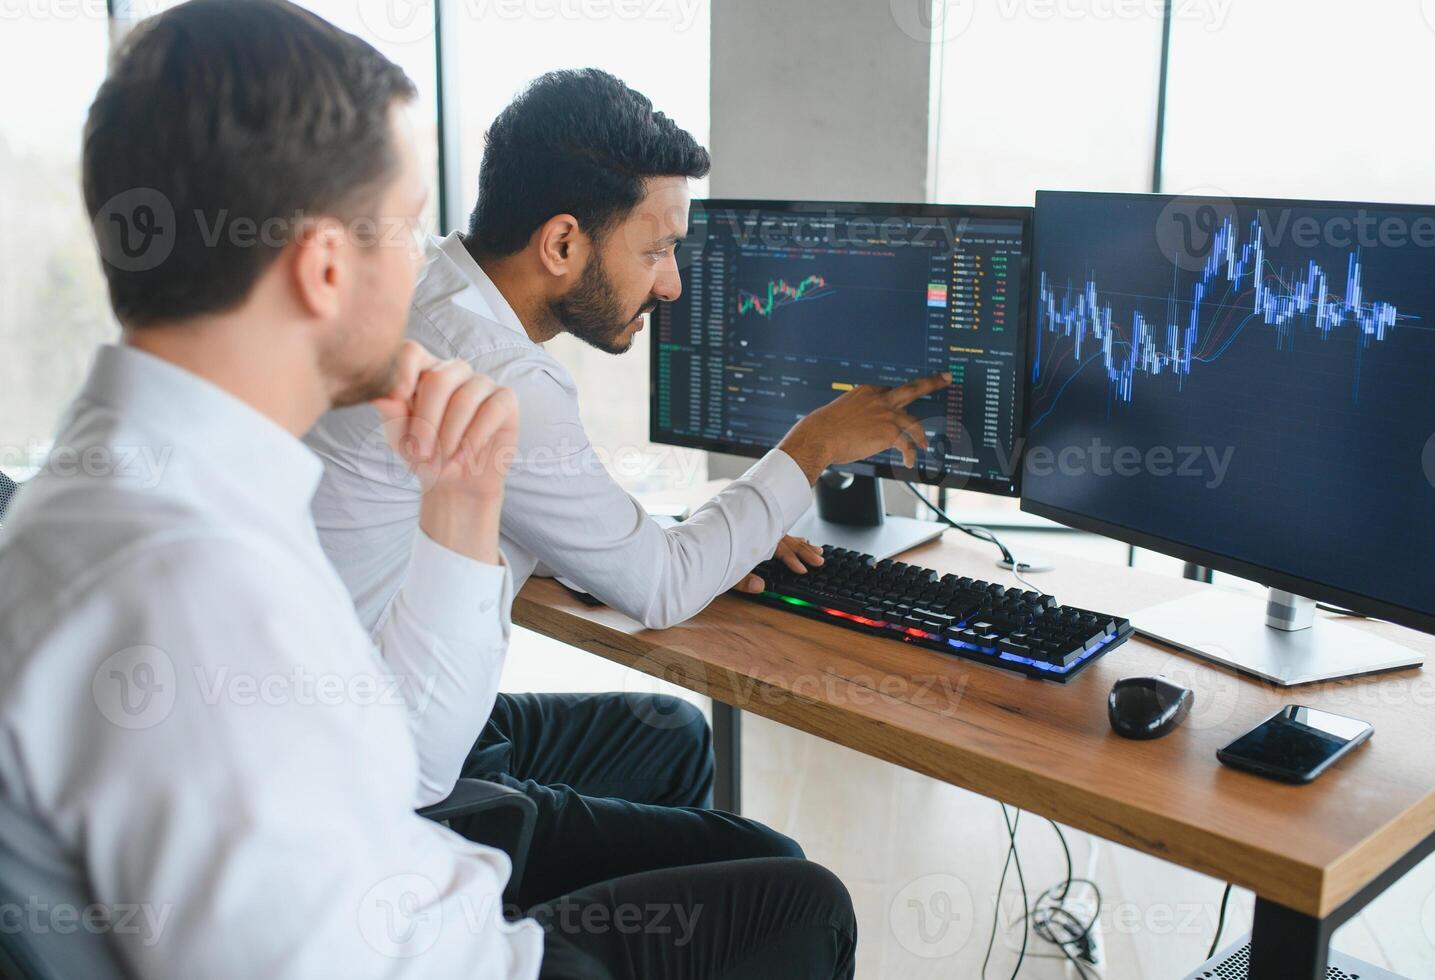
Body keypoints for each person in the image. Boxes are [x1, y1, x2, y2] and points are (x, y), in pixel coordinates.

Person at [0, 3, 856, 977]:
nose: (427, 267)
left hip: (421, 871)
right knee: (804, 902)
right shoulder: (201, 584)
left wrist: (461, 515)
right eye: (406, 228)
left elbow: (391, 764)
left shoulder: (135, 474)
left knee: (679, 767)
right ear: (324, 269)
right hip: (461, 947)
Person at [305, 69, 948, 899]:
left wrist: (718, 536)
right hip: (393, 793)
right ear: (562, 242)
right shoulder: (499, 373)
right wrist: (813, 445)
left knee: (671, 735)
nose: (672, 284)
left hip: (362, 715)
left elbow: (557, 524)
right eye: (655, 250)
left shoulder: (429, 286)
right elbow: (660, 587)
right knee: (792, 886)